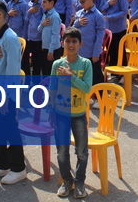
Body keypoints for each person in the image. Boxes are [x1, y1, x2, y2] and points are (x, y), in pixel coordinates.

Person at [0, 1, 27, 184]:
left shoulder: (10, 38)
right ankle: (1, 164)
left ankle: (18, 168)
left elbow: (13, 72)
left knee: (10, 130)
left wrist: (7, 98)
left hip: (4, 95)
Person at [51, 27, 92, 198]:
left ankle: (80, 181)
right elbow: (52, 90)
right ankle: (67, 181)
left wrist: (70, 76)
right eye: (67, 41)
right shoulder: (57, 64)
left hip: (79, 115)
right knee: (62, 151)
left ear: (80, 44)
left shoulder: (85, 64)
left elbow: (87, 88)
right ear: (62, 43)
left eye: (74, 41)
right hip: (61, 115)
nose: (71, 44)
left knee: (81, 151)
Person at [72, 0, 106, 86]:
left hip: (91, 53)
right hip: (80, 51)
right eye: (80, 2)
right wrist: (78, 23)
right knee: (83, 77)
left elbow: (100, 37)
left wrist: (96, 53)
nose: (81, 4)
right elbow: (73, 29)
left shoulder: (98, 16)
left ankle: (100, 97)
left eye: (83, 2)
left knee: (96, 77)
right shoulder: (80, 13)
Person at [101, 0, 128, 66]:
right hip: (108, 27)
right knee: (111, 50)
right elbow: (101, 9)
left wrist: (110, 17)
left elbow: (124, 11)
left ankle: (121, 73)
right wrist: (107, 4)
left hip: (118, 27)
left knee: (119, 51)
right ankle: (113, 72)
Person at [38, 0, 63, 75]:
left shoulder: (55, 16)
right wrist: (42, 24)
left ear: (52, 3)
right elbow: (39, 30)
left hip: (53, 49)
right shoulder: (45, 14)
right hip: (45, 47)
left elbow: (55, 35)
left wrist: (51, 51)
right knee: (45, 71)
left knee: (51, 73)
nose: (42, 4)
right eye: (42, 2)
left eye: (44, 2)